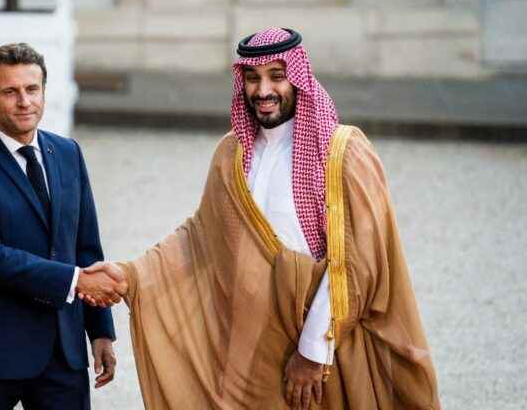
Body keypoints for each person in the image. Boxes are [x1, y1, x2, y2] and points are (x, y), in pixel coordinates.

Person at [81, 28, 440, 409]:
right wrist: (131, 275)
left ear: (298, 79)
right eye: (253, 78)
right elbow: (202, 237)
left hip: (329, 345)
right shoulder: (231, 152)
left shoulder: (344, 153)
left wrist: (312, 351)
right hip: (253, 344)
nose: (263, 90)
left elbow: (356, 264)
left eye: (276, 76)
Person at [0, 43, 126, 410]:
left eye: (32, 89)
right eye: (10, 91)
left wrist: (100, 331)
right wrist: (75, 281)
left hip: (62, 351)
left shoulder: (68, 152)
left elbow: (86, 247)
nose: (24, 101)